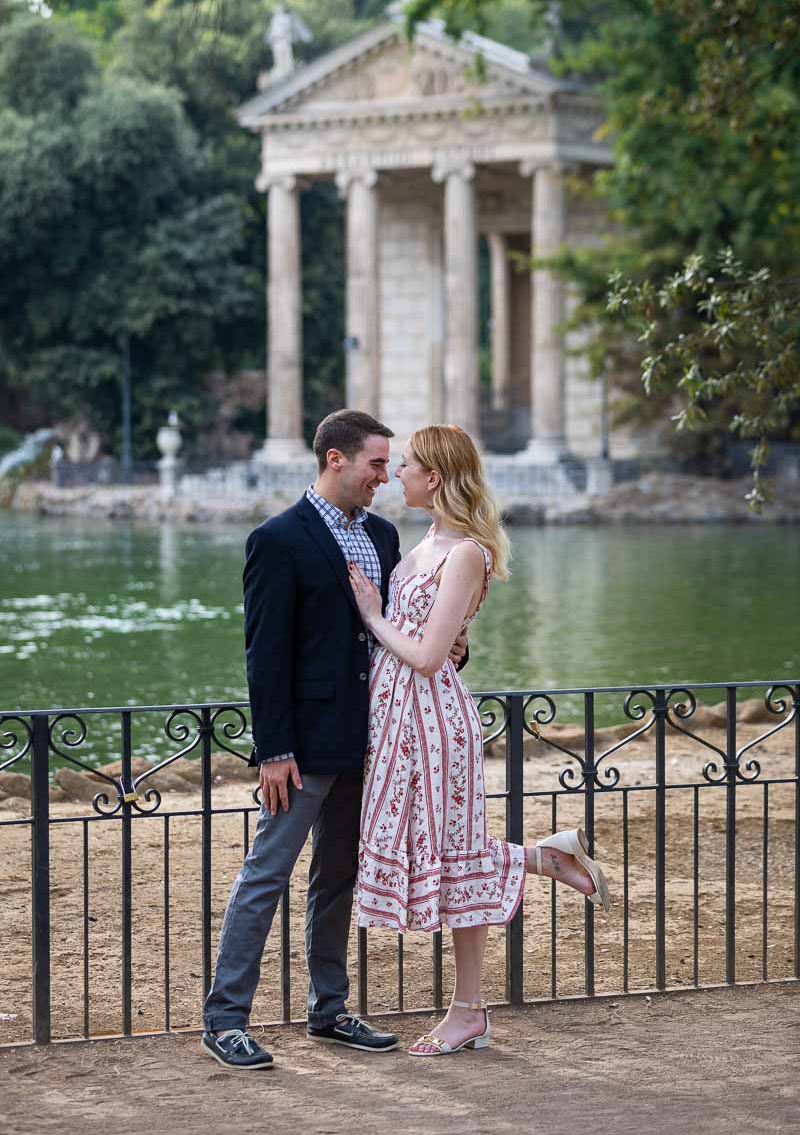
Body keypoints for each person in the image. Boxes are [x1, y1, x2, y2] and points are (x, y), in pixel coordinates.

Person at [201, 410, 468, 1070]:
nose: (387, 475)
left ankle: (329, 1009)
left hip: (374, 743)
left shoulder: (382, 534)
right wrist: (274, 750)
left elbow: (405, 628)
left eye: (388, 464)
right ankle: (225, 1019)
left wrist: (455, 649)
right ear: (334, 460)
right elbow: (265, 656)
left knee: (337, 880)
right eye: (377, 463)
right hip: (302, 750)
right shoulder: (277, 539)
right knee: (266, 875)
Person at [348, 424, 611, 1058]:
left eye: (407, 465)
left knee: (455, 856)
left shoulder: (464, 552)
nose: (396, 475)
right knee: (438, 851)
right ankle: (544, 859)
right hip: (399, 719)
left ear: (434, 477)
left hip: (433, 720)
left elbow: (433, 654)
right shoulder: (424, 542)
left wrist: (373, 616)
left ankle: (468, 1011)